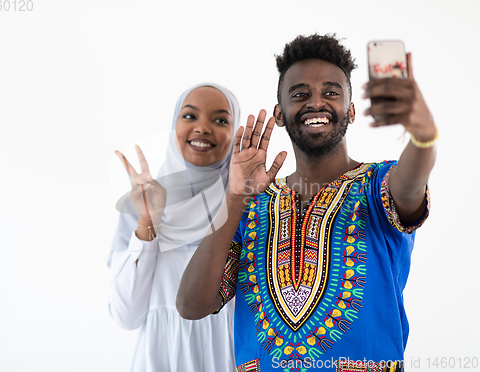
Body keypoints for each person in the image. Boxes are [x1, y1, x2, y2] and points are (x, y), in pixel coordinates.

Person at [177, 34, 437, 372]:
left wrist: (424, 136)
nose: (316, 103)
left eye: (331, 92)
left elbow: (412, 180)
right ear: (280, 113)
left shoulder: (378, 188)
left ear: (351, 110)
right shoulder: (251, 207)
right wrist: (234, 199)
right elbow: (191, 304)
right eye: (300, 94)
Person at [108, 83, 240, 372]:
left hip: (229, 359)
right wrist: (146, 223)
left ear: (236, 131)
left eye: (220, 120)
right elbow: (125, 316)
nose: (203, 128)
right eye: (190, 116)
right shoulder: (144, 200)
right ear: (174, 125)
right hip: (161, 359)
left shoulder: (248, 205)